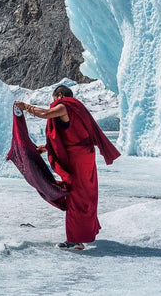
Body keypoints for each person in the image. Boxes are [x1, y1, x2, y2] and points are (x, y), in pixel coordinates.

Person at [14, 85, 120, 251]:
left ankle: (75, 240)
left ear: (60, 96)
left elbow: (46, 114)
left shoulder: (65, 106)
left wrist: (26, 107)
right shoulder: (77, 109)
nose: (53, 104)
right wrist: (48, 147)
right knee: (83, 195)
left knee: (75, 196)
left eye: (53, 100)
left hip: (77, 160)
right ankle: (81, 235)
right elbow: (72, 136)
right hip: (84, 158)